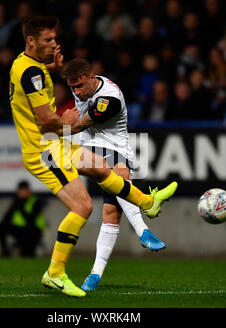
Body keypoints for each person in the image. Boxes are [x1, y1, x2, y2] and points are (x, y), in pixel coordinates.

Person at [9, 15, 177, 298]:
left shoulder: (24, 64)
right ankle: (55, 273)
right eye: (48, 39)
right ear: (31, 40)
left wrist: (51, 67)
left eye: (54, 38)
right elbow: (46, 122)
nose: (54, 43)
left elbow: (32, 82)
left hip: (53, 144)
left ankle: (147, 202)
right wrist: (66, 120)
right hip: (45, 149)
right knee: (83, 207)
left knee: (100, 168)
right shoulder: (33, 74)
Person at [61, 57, 168, 291]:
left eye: (79, 86)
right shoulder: (83, 88)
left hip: (116, 147)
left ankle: (94, 275)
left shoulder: (109, 98)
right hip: (91, 148)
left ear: (91, 77)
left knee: (111, 213)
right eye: (72, 88)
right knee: (118, 177)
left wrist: (60, 127)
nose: (77, 92)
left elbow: (78, 125)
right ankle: (144, 228)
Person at [0, 181, 46, 257]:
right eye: (20, 191)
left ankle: (26, 248)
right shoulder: (17, 201)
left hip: (33, 231)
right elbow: (6, 217)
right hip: (20, 230)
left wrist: (21, 205)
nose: (22, 193)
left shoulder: (35, 201)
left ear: (28, 191)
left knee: (27, 254)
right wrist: (17, 203)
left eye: (24, 191)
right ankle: (5, 252)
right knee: (2, 226)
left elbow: (30, 220)